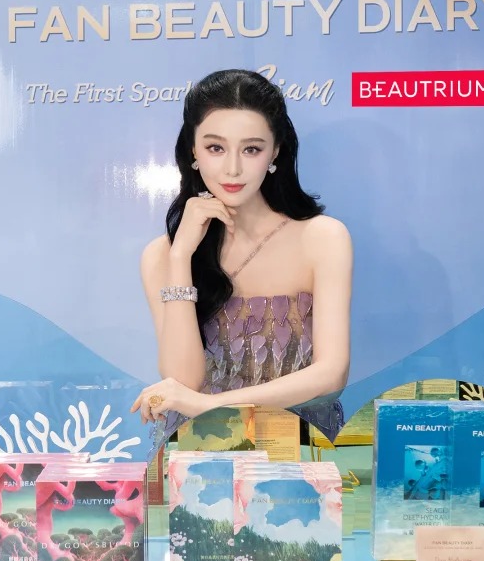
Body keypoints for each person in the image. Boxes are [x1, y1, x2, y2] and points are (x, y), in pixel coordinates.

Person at [132, 68, 352, 433]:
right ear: (193, 151)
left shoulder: (322, 238)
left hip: (299, 447)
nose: (232, 169)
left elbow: (332, 375)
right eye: (215, 148)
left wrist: (211, 405)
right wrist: (181, 257)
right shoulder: (163, 256)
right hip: (201, 450)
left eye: (251, 149)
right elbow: (183, 380)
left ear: (275, 151)